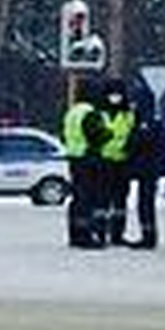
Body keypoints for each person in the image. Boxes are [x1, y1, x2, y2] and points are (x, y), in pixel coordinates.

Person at [62, 81, 109, 248]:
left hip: (74, 158)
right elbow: (97, 135)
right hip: (89, 159)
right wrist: (108, 133)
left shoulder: (72, 112)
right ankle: (86, 236)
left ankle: (75, 234)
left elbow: (64, 136)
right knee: (88, 199)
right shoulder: (90, 113)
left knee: (77, 198)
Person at [126, 81, 165, 249]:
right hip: (149, 167)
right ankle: (148, 235)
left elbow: (140, 142)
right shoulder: (152, 120)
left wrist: (129, 144)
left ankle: (148, 237)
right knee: (145, 203)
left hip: (147, 168)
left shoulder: (146, 121)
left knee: (145, 204)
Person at [99, 77, 136, 246]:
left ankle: (117, 234)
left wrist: (129, 150)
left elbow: (133, 135)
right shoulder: (99, 113)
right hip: (103, 162)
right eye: (112, 94)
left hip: (122, 163)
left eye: (118, 94)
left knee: (120, 201)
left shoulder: (128, 115)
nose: (115, 97)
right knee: (102, 201)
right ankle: (100, 232)